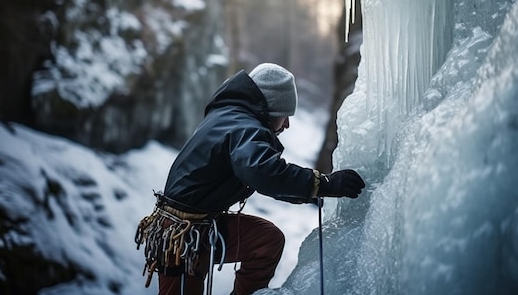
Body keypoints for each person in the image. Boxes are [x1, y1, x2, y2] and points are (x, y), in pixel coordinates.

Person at [135, 63, 365, 295]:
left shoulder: (229, 116)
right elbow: (264, 172)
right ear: (270, 109)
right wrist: (322, 184)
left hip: (197, 226)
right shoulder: (242, 127)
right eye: (284, 115)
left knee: (266, 240)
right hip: (181, 235)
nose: (287, 124)